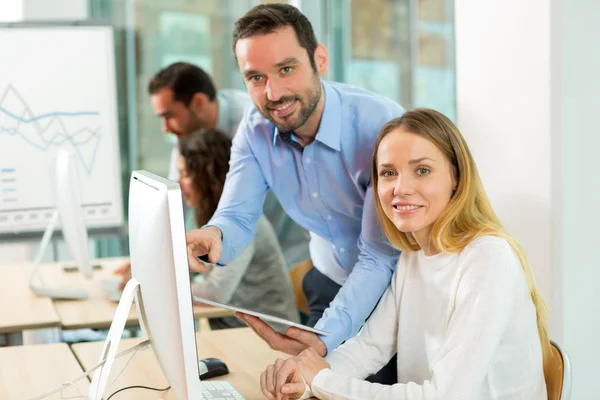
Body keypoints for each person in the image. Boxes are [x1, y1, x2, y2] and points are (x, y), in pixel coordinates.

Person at [259, 108, 551, 400]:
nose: (401, 188)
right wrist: (304, 379)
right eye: (388, 173)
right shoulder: (414, 255)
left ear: (457, 178)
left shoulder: (488, 258)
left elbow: (446, 396)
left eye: (422, 170)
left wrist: (323, 379)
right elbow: (370, 346)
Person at [184, 3, 405, 382]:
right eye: (255, 77)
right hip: (328, 283)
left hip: (393, 294)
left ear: (319, 59)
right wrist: (213, 236)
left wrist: (324, 340)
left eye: (286, 69)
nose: (273, 92)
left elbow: (377, 259)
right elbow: (236, 216)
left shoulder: (378, 125)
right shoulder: (255, 131)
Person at [118, 128, 299, 330]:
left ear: (209, 178)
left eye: (185, 174)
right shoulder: (204, 217)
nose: (178, 183)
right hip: (234, 330)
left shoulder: (243, 226)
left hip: (271, 337)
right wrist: (148, 269)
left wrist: (153, 289)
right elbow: (182, 268)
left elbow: (216, 293)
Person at [149, 61, 309, 268]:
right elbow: (175, 198)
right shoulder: (187, 132)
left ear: (198, 103)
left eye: (169, 116)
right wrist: (153, 257)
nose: (165, 128)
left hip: (290, 244)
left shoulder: (255, 123)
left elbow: (269, 201)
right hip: (241, 248)